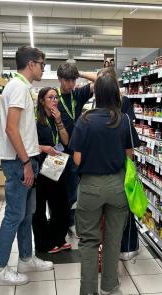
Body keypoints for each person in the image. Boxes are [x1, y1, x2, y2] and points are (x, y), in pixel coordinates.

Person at [0, 46, 53, 286]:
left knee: (27, 214)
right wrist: (26, 162)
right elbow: (11, 129)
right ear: (30, 64)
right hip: (19, 162)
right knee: (14, 216)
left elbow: (23, 131)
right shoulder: (17, 88)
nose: (42, 68)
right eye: (41, 64)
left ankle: (26, 257)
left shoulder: (22, 88)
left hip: (27, 159)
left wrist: (39, 151)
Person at [69, 75, 133, 295]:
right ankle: (109, 286)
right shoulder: (123, 119)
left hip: (90, 186)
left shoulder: (84, 120)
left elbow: (76, 159)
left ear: (96, 93)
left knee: (88, 241)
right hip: (117, 186)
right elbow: (129, 155)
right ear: (115, 93)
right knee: (113, 239)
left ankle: (88, 291)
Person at [98, 67, 141, 261]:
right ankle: (120, 245)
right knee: (117, 208)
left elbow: (129, 135)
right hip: (115, 160)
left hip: (117, 160)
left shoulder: (123, 102)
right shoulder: (103, 104)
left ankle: (128, 245)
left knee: (125, 206)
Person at [56, 62, 98, 236]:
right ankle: (59, 221)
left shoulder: (78, 94)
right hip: (57, 150)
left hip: (75, 150)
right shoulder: (53, 97)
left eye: (73, 80)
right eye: (67, 80)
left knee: (73, 188)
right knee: (57, 188)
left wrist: (79, 73)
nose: (71, 84)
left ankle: (71, 221)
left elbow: (102, 80)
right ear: (60, 79)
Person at [32, 87, 71, 254]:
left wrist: (60, 122)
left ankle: (58, 239)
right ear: (42, 100)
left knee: (60, 204)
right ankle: (43, 244)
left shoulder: (57, 118)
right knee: (40, 207)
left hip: (57, 166)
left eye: (56, 97)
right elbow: (26, 144)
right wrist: (43, 148)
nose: (54, 100)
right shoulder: (35, 120)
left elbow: (66, 141)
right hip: (41, 167)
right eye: (50, 97)